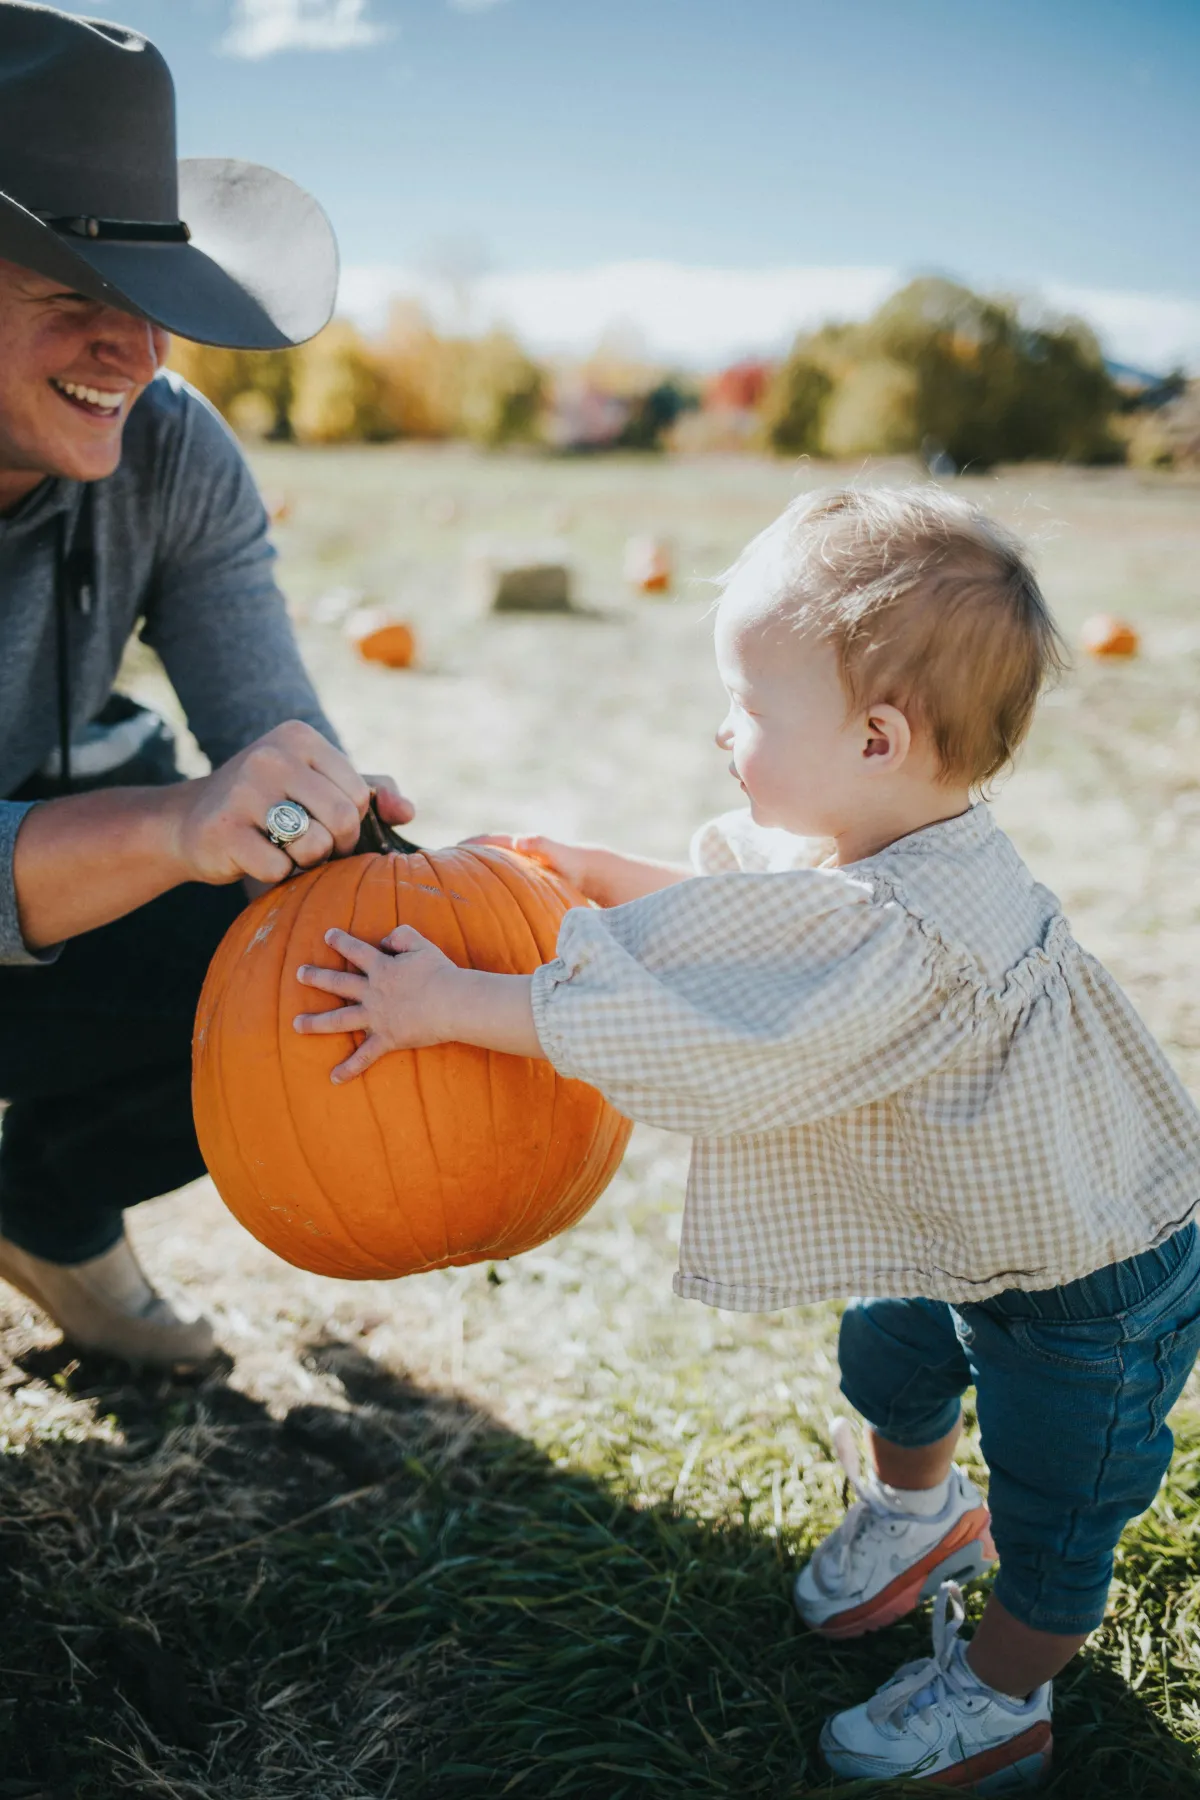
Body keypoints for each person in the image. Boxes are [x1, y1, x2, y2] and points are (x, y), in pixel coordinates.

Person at [293, 486, 1200, 1791]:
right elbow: (760, 917)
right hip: (966, 1234)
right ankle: (918, 1514)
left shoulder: (914, 934)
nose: (723, 730)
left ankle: (1003, 1695)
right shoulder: (885, 841)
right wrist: (606, 871)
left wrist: (454, 1003)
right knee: (890, 1354)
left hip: (1097, 1291)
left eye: (751, 708)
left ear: (880, 737)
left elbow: (712, 1041)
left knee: (1061, 1523)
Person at [0, 1, 412, 1367]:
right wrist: (176, 825)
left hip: (53, 888)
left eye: (153, 304)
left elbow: (272, 730)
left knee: (295, 942)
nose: (136, 354)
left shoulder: (176, 456)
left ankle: (46, 1212)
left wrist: (332, 831)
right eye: (75, 296)